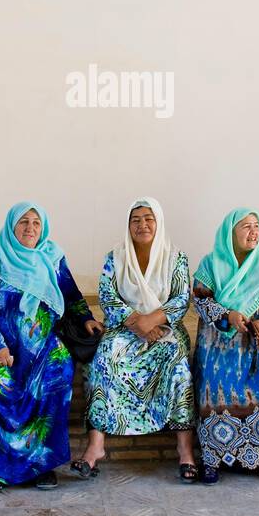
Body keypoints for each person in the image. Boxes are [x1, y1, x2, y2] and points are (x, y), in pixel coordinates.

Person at [0, 202, 100, 492]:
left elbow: (71, 293)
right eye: (23, 222)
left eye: (36, 223)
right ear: (11, 226)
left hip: (41, 346)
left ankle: (41, 465)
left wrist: (87, 318)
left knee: (58, 369)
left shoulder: (52, 258)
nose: (30, 228)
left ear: (44, 228)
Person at [72, 198, 197, 483]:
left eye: (149, 218)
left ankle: (185, 450)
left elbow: (180, 299)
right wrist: (136, 323)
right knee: (104, 355)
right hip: (126, 328)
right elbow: (107, 296)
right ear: (128, 225)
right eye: (136, 219)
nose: (142, 225)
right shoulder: (115, 257)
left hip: (165, 327)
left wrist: (151, 321)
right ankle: (95, 447)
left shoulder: (176, 257)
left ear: (159, 222)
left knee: (177, 358)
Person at [192, 208, 259, 486]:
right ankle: (212, 460)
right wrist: (228, 316)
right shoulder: (210, 264)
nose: (253, 232)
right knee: (213, 389)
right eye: (246, 226)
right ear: (230, 233)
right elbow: (201, 301)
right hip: (219, 346)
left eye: (256, 226)